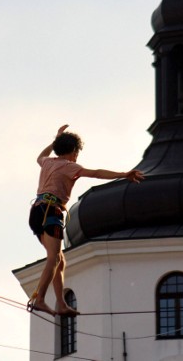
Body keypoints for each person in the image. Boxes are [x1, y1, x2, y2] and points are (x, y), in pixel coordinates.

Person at [28, 124, 145, 317]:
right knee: (54, 258)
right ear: (74, 151)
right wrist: (124, 175)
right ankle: (39, 299)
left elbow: (39, 156)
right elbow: (97, 173)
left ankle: (61, 303)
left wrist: (54, 140)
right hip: (52, 211)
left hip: (37, 211)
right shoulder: (70, 166)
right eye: (77, 152)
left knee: (60, 260)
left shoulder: (48, 163)